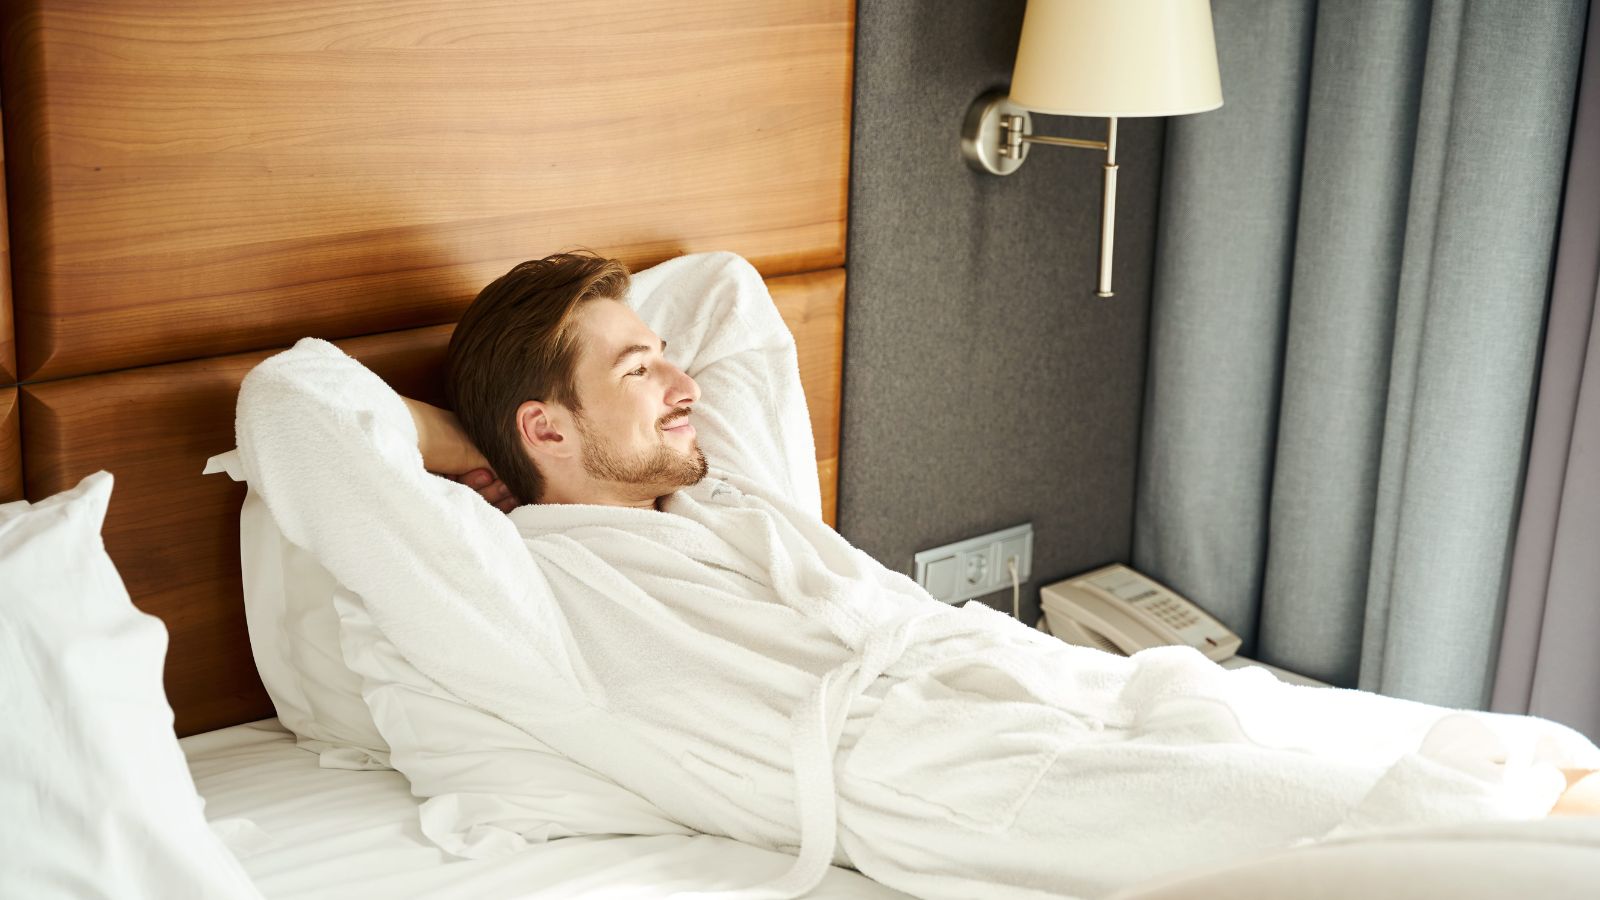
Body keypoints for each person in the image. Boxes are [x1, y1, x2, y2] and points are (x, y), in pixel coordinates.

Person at [238, 250, 1599, 900]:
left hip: (1045, 683)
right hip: (945, 774)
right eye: (640, 370)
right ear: (543, 430)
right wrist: (459, 441)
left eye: (662, 359)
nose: (684, 380)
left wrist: (596, 386)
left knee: (1537, 775)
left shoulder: (722, 496)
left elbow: (726, 291)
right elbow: (293, 406)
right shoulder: (517, 592)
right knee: (1439, 858)